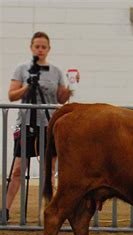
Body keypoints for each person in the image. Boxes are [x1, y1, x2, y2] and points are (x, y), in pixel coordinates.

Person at [0, 31, 79, 222]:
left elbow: (60, 99)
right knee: (18, 169)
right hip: (26, 123)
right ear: (31, 48)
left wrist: (70, 88)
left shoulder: (56, 71)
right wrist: (28, 86)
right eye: (37, 46)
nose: (40, 50)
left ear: (49, 49)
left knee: (49, 170)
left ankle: (48, 210)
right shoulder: (22, 69)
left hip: (48, 124)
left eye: (43, 47)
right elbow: (12, 96)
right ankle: (5, 209)